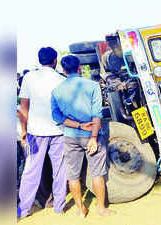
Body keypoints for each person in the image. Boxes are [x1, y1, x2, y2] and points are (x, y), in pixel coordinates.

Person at [51, 55, 116, 217]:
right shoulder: (92, 86)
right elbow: (97, 114)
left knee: (72, 175)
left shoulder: (56, 91)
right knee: (97, 173)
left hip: (70, 137)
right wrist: (93, 138)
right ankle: (100, 208)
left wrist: (78, 125)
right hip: (91, 135)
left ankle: (81, 210)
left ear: (63, 70)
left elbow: (57, 117)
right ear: (79, 67)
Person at [17, 47, 68, 218]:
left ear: (40, 60)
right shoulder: (61, 79)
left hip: (35, 132)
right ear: (55, 61)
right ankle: (59, 207)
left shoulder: (29, 78)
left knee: (31, 170)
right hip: (58, 131)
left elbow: (24, 107)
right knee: (60, 170)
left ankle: (23, 210)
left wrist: (23, 131)